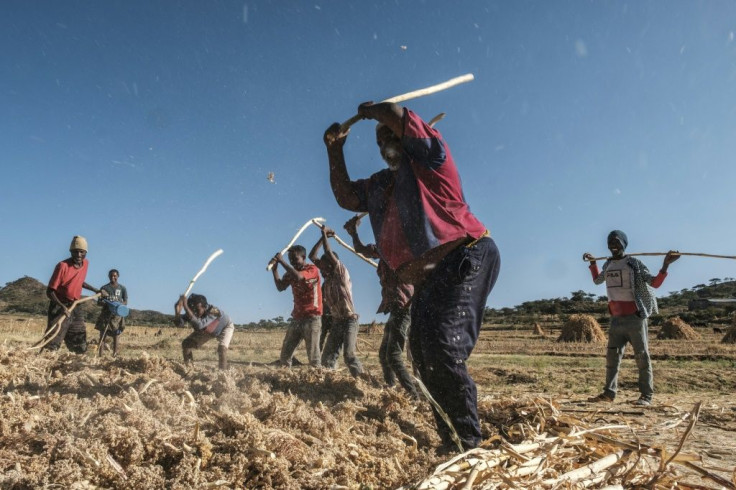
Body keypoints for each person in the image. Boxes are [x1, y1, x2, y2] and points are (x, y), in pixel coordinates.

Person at [324, 102, 501, 453]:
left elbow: (395, 114)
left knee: (441, 346)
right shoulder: (378, 185)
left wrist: (377, 111)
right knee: (421, 354)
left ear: (409, 136)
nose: (384, 144)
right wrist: (334, 150)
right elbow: (345, 196)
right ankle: (453, 440)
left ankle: (470, 447)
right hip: (428, 277)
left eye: (390, 136)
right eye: (379, 142)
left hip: (465, 257)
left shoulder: (432, 159)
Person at [584, 230, 680, 406]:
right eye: (610, 242)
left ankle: (646, 396)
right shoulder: (608, 265)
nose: (613, 245)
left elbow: (654, 283)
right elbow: (598, 281)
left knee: (642, 356)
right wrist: (592, 263)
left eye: (617, 242)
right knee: (612, 358)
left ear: (624, 244)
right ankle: (608, 393)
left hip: (635, 318)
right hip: (616, 319)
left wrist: (665, 265)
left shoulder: (633, 263)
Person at [344, 214, 417, 397]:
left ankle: (413, 394)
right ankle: (391, 389)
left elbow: (364, 249)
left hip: (404, 307)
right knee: (384, 356)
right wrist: (353, 232)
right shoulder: (385, 248)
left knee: (392, 356)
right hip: (395, 308)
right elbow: (362, 249)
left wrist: (354, 232)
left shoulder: (401, 248)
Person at [309, 225, 363, 377]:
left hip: (349, 320)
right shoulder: (328, 278)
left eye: (324, 265)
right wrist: (322, 238)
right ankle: (329, 383)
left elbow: (327, 252)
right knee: (327, 358)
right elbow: (313, 256)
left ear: (332, 264)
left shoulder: (341, 273)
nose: (321, 268)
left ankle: (363, 381)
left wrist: (325, 234)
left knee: (349, 355)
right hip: (337, 322)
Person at [43, 235, 108, 353]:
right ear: (70, 252)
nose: (78, 255)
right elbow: (50, 291)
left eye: (82, 252)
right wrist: (62, 307)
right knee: (53, 340)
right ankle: (45, 361)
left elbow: (79, 281)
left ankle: (76, 364)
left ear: (86, 253)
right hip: (59, 305)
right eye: (75, 252)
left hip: (75, 305)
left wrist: (95, 290)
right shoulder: (62, 266)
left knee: (79, 341)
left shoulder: (85, 264)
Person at [268, 245, 322, 368]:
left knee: (314, 358)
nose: (292, 262)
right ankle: (284, 380)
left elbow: (299, 277)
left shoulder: (312, 269)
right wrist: (275, 269)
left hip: (312, 317)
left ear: (303, 257)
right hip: (297, 317)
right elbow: (280, 287)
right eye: (290, 259)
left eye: (295, 259)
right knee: (285, 356)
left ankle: (319, 383)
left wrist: (282, 261)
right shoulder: (291, 273)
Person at [174, 293, 234, 370]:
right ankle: (189, 368)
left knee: (222, 349)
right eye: (193, 310)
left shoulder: (214, 311)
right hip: (208, 330)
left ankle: (223, 373)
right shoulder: (192, 311)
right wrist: (177, 312)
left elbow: (200, 325)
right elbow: (179, 324)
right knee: (186, 344)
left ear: (205, 307)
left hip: (224, 327)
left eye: (197, 310)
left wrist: (185, 307)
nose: (195, 312)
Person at [94, 269, 128, 357]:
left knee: (116, 334)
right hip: (106, 314)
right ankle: (100, 355)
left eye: (115, 276)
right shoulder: (104, 288)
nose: (113, 277)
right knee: (103, 334)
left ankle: (115, 355)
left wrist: (118, 305)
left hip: (117, 315)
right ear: (108, 276)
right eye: (111, 276)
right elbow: (99, 302)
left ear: (118, 276)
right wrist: (106, 303)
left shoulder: (122, 288)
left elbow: (125, 301)